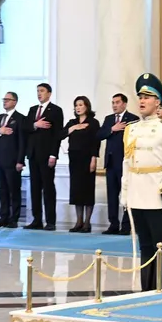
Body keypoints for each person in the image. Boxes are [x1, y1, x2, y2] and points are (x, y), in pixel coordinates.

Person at [122, 74, 162, 292]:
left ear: (158, 103)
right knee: (144, 244)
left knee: (159, 244)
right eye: (140, 97)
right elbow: (127, 162)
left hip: (157, 194)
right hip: (136, 192)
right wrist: (124, 192)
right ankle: (145, 288)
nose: (142, 101)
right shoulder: (132, 128)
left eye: (147, 97)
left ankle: (157, 287)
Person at [24, 82, 64, 230]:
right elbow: (25, 127)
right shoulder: (32, 109)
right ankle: (36, 220)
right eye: (37, 91)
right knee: (34, 188)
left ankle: (51, 221)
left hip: (47, 155)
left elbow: (57, 134)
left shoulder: (56, 110)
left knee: (48, 188)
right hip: (33, 154)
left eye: (42, 91)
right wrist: (36, 124)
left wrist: (54, 154)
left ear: (49, 93)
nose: (39, 93)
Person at [99, 93, 139, 235]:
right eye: (113, 102)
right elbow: (100, 135)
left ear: (124, 104)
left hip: (125, 163)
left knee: (127, 195)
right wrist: (112, 129)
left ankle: (126, 225)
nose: (114, 105)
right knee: (112, 195)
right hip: (110, 163)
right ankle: (113, 224)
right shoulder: (109, 119)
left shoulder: (133, 119)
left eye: (117, 102)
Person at [64, 96, 100, 233]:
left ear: (86, 106)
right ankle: (78, 221)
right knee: (76, 190)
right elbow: (60, 135)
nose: (78, 107)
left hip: (87, 159)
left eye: (81, 105)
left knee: (87, 190)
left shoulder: (93, 122)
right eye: (76, 105)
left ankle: (87, 223)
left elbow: (96, 142)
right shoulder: (72, 122)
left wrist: (93, 159)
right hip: (74, 159)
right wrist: (74, 127)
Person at [0, 92, 26, 227]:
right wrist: (0, 130)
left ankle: (14, 219)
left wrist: (20, 160)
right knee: (3, 190)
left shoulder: (20, 118)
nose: (4, 101)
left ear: (14, 102)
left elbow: (22, 141)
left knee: (14, 190)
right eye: (3, 99)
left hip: (13, 160)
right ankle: (3, 217)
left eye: (7, 99)